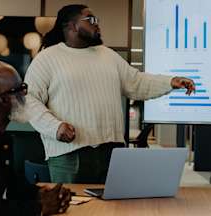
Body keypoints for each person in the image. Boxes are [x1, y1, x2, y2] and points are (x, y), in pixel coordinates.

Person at [23, 4, 196, 184]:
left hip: (112, 151)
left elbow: (136, 82)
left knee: (112, 208)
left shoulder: (107, 55)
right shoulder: (47, 59)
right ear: (71, 25)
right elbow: (29, 101)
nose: (97, 24)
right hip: (69, 154)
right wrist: (55, 127)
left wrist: (170, 82)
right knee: (73, 209)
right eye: (91, 20)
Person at [0, 60, 71, 216]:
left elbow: (12, 186)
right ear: (2, 100)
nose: (25, 94)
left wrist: (41, 193)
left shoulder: (1, 138)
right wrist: (39, 209)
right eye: (20, 89)